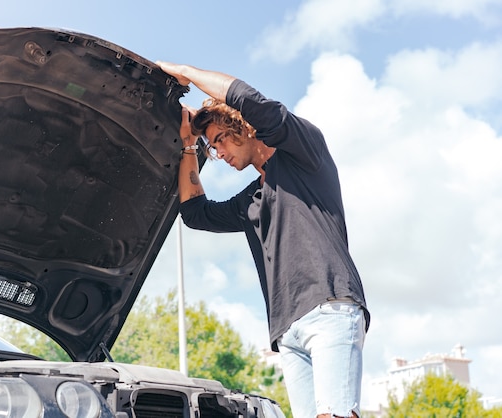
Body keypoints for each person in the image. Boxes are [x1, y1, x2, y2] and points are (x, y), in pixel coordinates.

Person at [156, 61, 370, 418]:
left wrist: (184, 72)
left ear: (245, 126)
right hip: (288, 331)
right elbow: (195, 214)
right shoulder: (252, 201)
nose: (219, 153)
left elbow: (246, 97)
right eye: (213, 147)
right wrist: (189, 147)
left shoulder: (304, 154)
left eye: (220, 139)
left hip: (331, 308)